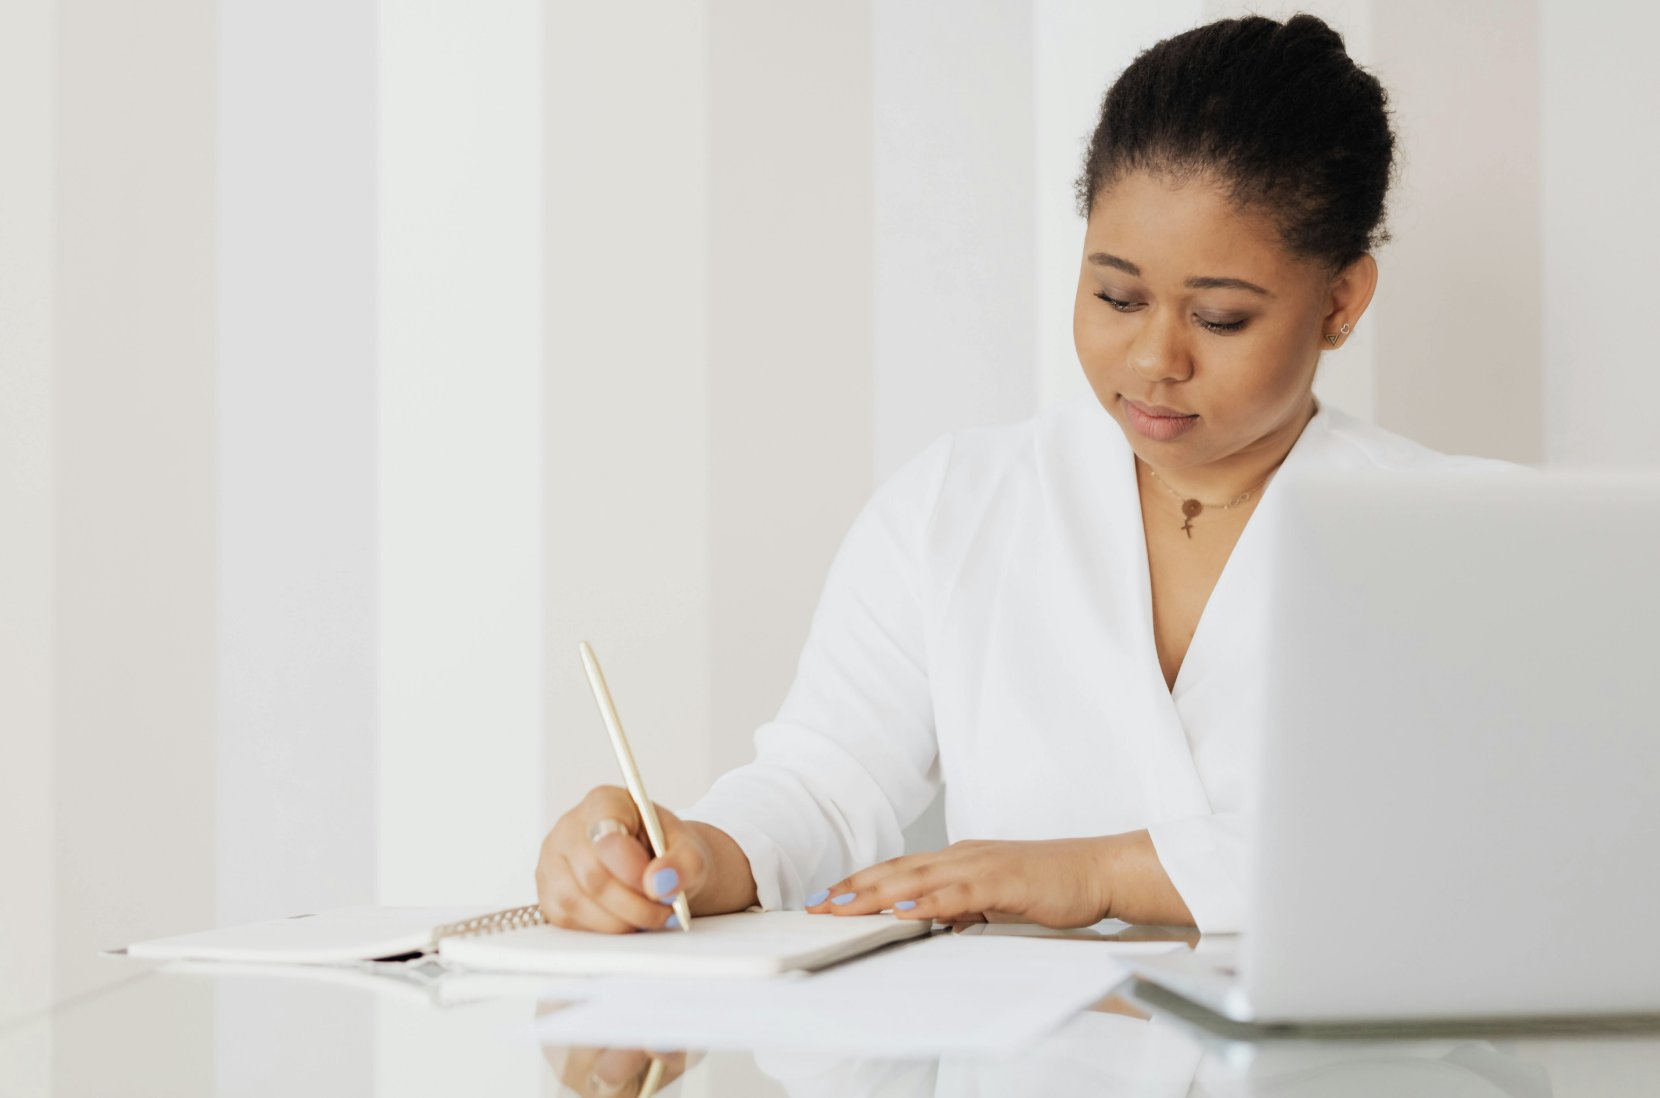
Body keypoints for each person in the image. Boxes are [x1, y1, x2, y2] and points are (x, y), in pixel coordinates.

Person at [533, 13, 1514, 936]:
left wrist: (1090, 874)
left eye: (1218, 317)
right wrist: (695, 854)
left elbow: (1471, 849)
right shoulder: (956, 506)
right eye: (1115, 295)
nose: (1153, 360)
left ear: (1341, 301)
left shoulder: (1458, 537)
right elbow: (822, 783)